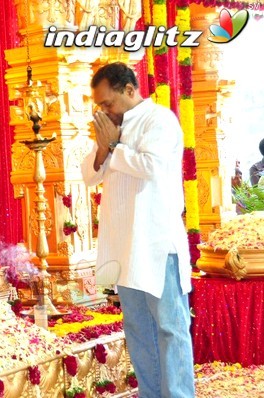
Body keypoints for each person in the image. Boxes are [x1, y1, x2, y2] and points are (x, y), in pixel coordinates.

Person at [81, 63, 194, 397]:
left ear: (130, 90)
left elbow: (152, 167)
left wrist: (114, 147)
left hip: (157, 245)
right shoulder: (113, 128)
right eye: (100, 106)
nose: (104, 111)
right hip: (123, 248)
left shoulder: (159, 120)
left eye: (108, 104)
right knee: (138, 330)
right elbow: (89, 175)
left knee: (171, 329)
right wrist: (104, 147)